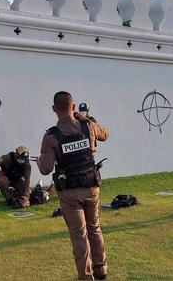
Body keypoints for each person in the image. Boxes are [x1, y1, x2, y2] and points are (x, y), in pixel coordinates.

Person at [37, 91, 109, 280]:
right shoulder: (87, 126)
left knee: (79, 235)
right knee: (94, 228)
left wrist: (39, 161)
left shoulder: (51, 136)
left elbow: (45, 169)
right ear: (74, 107)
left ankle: (85, 276)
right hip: (91, 187)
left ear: (53, 109)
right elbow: (105, 135)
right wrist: (84, 118)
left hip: (69, 192)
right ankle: (101, 269)